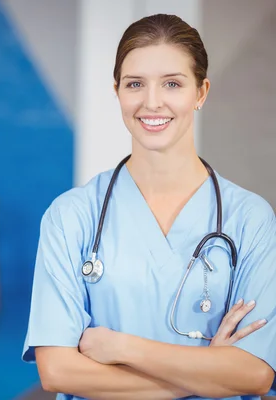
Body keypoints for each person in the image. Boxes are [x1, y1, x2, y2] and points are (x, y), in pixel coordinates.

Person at [22, 13, 276, 400]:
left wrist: (121, 348)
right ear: (118, 91)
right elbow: (57, 370)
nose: (151, 102)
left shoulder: (251, 220)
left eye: (172, 84)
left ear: (201, 92)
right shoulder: (71, 216)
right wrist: (207, 371)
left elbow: (255, 373)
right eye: (135, 84)